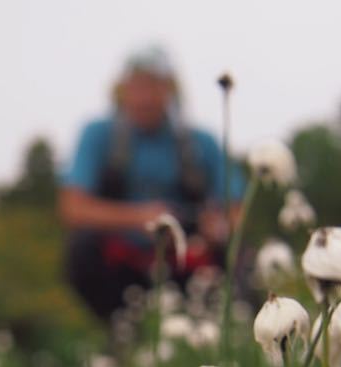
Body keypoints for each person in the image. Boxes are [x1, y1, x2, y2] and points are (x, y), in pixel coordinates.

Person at [59, 45, 246, 321]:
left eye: (154, 86)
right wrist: (142, 219)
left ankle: (232, 329)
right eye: (137, 86)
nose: (145, 97)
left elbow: (237, 210)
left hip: (190, 262)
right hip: (120, 263)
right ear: (122, 90)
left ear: (170, 90)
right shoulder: (98, 135)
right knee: (81, 248)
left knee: (241, 256)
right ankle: (119, 335)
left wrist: (217, 228)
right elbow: (72, 208)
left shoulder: (200, 143)